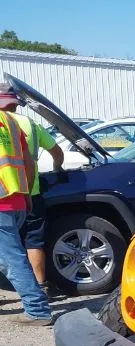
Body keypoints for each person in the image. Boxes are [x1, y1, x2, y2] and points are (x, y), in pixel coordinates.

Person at [0, 82, 64, 296]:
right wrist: (57, 168)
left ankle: (32, 301)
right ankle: (41, 285)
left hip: (3, 196)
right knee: (33, 241)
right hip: (29, 193)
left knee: (8, 249)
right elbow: (57, 152)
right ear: (15, 104)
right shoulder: (29, 124)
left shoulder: (3, 123)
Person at [0, 108, 52, 325]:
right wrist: (28, 193)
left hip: (2, 201)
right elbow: (29, 162)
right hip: (17, 197)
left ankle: (37, 309)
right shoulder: (10, 121)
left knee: (11, 258)